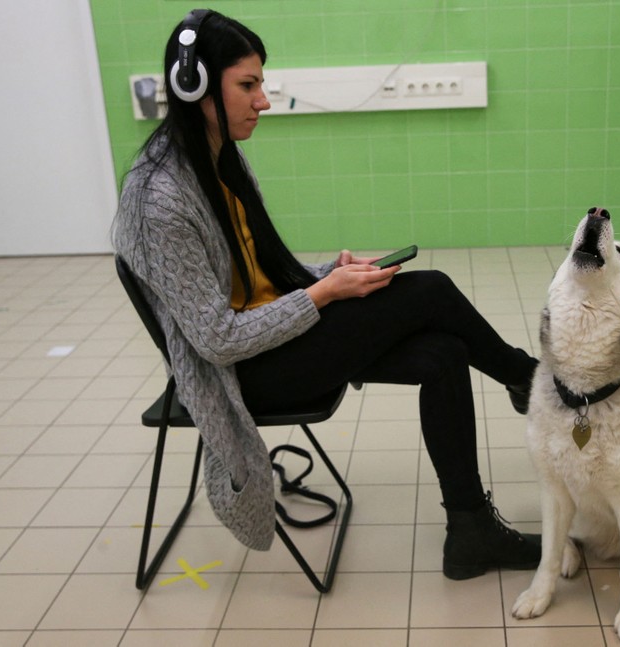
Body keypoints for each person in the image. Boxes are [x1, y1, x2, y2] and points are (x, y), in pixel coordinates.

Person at [113, 9, 539, 581]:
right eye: (247, 85)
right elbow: (215, 339)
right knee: (431, 289)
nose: (263, 100)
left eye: (260, 83)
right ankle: (532, 381)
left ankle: (471, 533)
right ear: (196, 89)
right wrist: (322, 295)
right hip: (241, 376)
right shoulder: (159, 198)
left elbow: (257, 272)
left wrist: (325, 273)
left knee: (442, 352)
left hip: (276, 338)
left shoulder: (220, 160)